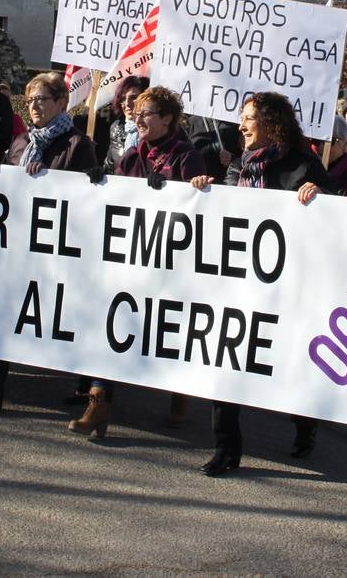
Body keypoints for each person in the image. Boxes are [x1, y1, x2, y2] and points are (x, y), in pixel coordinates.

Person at [190, 92, 330, 477]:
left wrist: (319, 197)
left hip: (287, 286)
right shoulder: (240, 166)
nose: (241, 124)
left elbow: (337, 217)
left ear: (271, 123)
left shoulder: (303, 164)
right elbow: (226, 211)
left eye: (249, 117)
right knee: (227, 358)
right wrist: (206, 188)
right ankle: (226, 448)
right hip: (239, 283)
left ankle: (304, 422)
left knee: (289, 363)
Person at [70, 85, 205, 435]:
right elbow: (114, 195)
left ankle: (181, 389)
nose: (138, 117)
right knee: (110, 324)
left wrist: (173, 189)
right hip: (129, 259)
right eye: (138, 113)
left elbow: (198, 204)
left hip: (169, 264)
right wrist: (100, 180)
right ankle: (98, 404)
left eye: (146, 113)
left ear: (167, 119)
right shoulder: (131, 155)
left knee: (169, 333)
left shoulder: (184, 155)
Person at [0, 71, 98, 415]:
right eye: (29, 101)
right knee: (4, 314)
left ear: (62, 102)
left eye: (42, 99)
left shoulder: (78, 145)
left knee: (68, 316)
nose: (34, 107)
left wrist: (51, 180)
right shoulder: (21, 142)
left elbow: (86, 196)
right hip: (18, 245)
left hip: (57, 249)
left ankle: (86, 386)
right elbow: (9, 184)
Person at [302, 115, 347, 200]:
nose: (320, 147)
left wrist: (323, 199)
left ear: (345, 144)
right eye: (315, 141)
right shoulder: (301, 172)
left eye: (329, 141)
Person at [104, 76, 149, 171]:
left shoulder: (157, 128)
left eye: (133, 97)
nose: (127, 103)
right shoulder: (116, 128)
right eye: (123, 99)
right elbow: (110, 167)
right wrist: (99, 173)